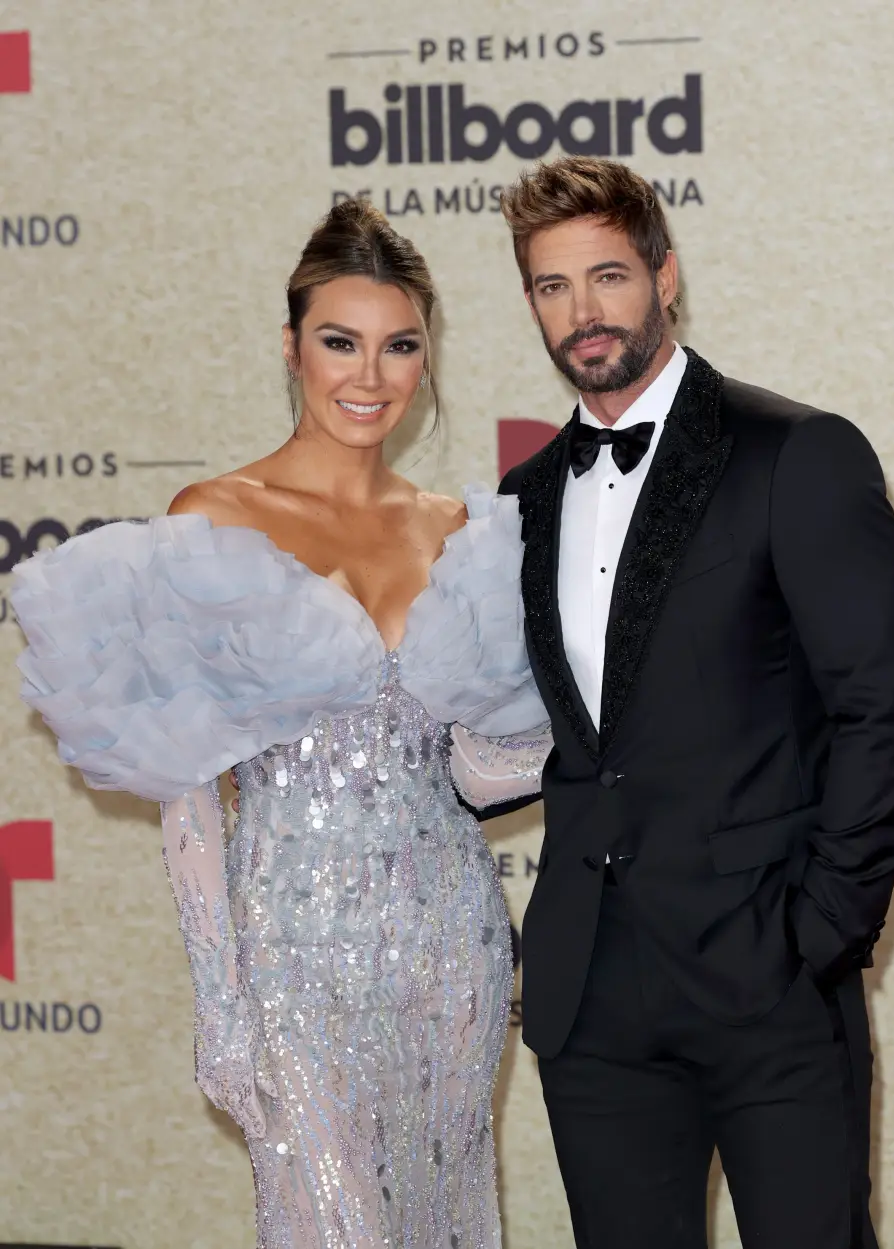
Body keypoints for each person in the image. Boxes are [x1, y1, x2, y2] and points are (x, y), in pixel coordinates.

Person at [12, 199, 549, 1249]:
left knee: (447, 1212)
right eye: (339, 342)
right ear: (292, 346)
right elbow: (188, 796)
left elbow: (476, 774)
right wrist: (222, 1003)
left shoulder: (457, 530)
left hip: (451, 943)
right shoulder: (215, 518)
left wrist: (562, 729)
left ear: (425, 357)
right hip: (290, 952)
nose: (369, 375)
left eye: (400, 347)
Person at [454, 156, 894, 1249]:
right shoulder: (520, 504)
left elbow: (886, 710)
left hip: (767, 981)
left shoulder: (793, 454)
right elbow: (528, 738)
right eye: (550, 285)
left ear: (665, 277)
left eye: (608, 275)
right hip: (592, 1002)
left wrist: (818, 933)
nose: (583, 311)